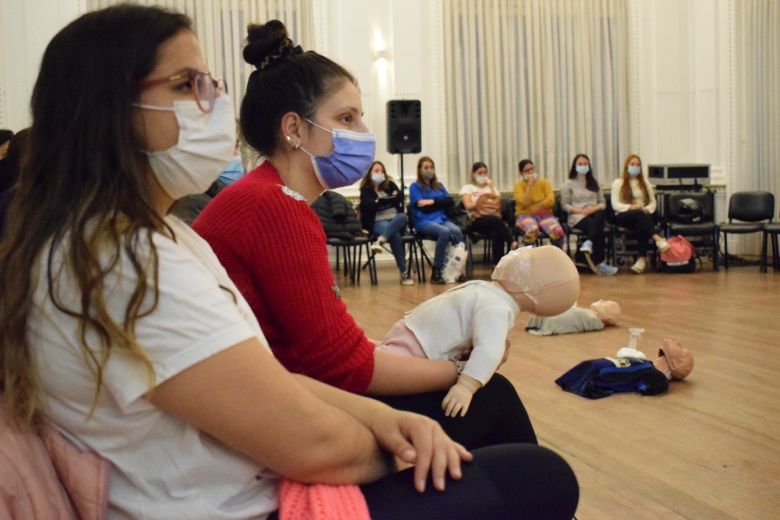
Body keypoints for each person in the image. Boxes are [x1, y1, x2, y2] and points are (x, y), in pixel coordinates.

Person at [0, 6, 580, 519]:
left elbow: (280, 372)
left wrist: (385, 421)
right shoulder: (131, 259)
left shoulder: (145, 238)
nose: (212, 102)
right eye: (186, 84)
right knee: (536, 472)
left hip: (248, 440)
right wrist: (422, 419)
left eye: (211, 82)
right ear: (109, 111)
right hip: (237, 491)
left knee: (496, 443)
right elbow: (327, 392)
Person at [194, 20, 547, 452]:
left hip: (270, 399)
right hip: (277, 419)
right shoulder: (275, 207)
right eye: (345, 118)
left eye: (360, 117)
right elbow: (344, 369)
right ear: (294, 129)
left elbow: (326, 345)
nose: (362, 133)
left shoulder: (261, 196)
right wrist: (463, 369)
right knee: (494, 398)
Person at [378, 246, 580, 417]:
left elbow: (490, 351)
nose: (516, 254)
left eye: (528, 258)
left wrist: (466, 386)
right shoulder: (492, 293)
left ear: (534, 288)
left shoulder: (497, 308)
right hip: (408, 342)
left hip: (416, 353)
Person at [408, 156, 465, 284]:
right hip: (424, 221)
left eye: (431, 167)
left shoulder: (439, 186)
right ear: (420, 170)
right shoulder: (415, 187)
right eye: (426, 167)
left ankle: (457, 269)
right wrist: (440, 203)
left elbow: (450, 202)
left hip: (441, 219)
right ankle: (437, 270)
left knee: (456, 231)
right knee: (444, 232)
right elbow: (423, 208)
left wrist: (431, 201)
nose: (429, 170)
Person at [610, 154, 670, 274]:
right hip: (624, 214)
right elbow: (615, 205)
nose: (635, 167)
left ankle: (641, 259)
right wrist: (632, 207)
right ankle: (657, 238)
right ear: (626, 166)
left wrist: (647, 209)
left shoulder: (645, 182)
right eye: (632, 164)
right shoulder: (618, 183)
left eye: (638, 165)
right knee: (639, 214)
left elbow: (653, 203)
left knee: (641, 222)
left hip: (643, 215)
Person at [560, 153, 618, 275]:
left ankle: (589, 243)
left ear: (589, 166)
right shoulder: (568, 184)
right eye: (580, 164)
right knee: (598, 228)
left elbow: (602, 202)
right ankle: (599, 263)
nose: (583, 166)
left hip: (594, 213)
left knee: (600, 214)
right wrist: (580, 211)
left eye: (585, 164)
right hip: (577, 216)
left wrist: (593, 208)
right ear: (575, 166)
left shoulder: (595, 183)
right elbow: (564, 205)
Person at [359, 160, 414, 285]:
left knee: (402, 217)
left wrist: (380, 201)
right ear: (369, 173)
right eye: (376, 171)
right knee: (395, 235)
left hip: (397, 220)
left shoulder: (390, 185)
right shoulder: (366, 190)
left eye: (382, 171)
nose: (380, 173)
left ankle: (381, 240)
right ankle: (404, 272)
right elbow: (370, 206)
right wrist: (389, 200)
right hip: (378, 221)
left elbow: (399, 198)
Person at [459, 161, 516, 265]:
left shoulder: (491, 188)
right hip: (476, 221)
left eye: (485, 173)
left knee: (497, 232)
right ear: (473, 174)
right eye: (479, 173)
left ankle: (497, 265)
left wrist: (490, 187)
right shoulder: (468, 188)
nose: (483, 175)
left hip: (492, 221)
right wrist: (482, 203)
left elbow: (498, 203)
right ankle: (511, 241)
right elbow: (468, 206)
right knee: (495, 221)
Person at [513, 159, 564, 247]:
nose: (530, 172)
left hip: (545, 215)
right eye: (527, 171)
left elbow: (551, 200)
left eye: (531, 169)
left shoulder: (544, 183)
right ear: (521, 173)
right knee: (532, 231)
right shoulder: (518, 186)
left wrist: (536, 207)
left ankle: (555, 256)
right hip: (525, 215)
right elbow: (524, 202)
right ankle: (528, 256)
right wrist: (529, 186)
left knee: (558, 231)